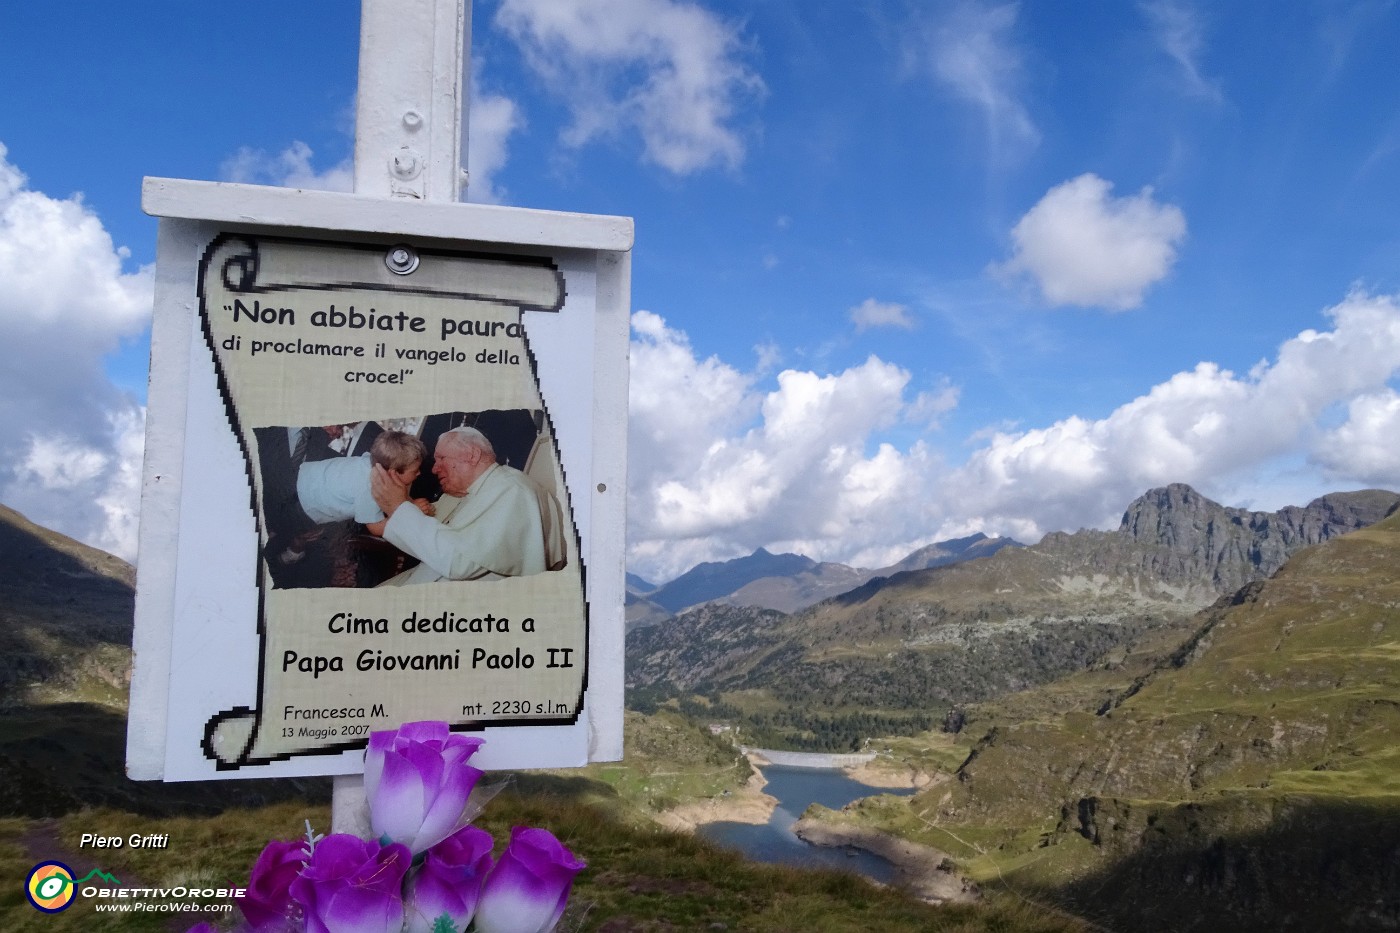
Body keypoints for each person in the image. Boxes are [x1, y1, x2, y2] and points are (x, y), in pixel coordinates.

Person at [371, 426, 567, 583]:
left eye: (441, 458)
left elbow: (459, 563)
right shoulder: (468, 490)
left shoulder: (512, 491)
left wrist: (398, 507)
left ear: (472, 455)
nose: (433, 468)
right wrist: (404, 506)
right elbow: (427, 543)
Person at [295, 430, 433, 536]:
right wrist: (411, 514)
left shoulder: (373, 462)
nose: (419, 473)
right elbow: (376, 527)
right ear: (393, 473)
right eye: (415, 471)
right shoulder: (369, 487)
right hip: (302, 505)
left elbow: (397, 495)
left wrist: (410, 504)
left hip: (303, 476)